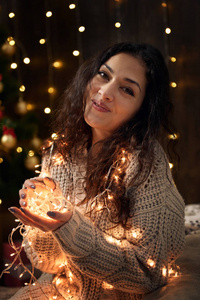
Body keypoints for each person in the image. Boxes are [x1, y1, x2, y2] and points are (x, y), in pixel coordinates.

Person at [8, 42, 185, 300]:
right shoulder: (62, 151)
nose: (104, 91)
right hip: (60, 291)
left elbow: (148, 273)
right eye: (104, 75)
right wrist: (41, 221)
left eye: (126, 89)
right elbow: (46, 262)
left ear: (143, 108)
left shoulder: (147, 164)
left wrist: (71, 228)